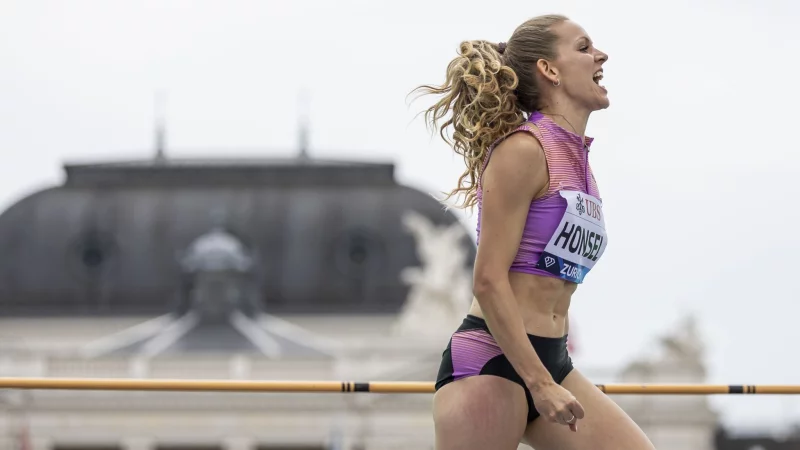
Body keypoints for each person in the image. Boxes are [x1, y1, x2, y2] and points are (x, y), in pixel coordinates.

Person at [413, 15, 657, 450]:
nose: (601, 56)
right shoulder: (523, 150)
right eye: (583, 47)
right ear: (550, 69)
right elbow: (488, 280)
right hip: (491, 359)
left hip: (553, 358)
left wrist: (547, 375)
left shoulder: (580, 162)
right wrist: (539, 384)